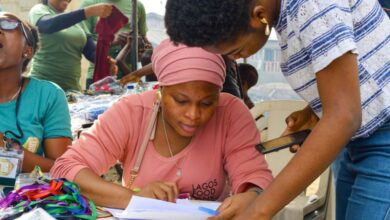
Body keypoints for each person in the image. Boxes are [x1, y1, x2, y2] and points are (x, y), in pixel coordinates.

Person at [164, 0, 390, 220]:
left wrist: (258, 211)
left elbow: (344, 117)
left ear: (259, 14)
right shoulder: (288, 12)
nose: (238, 58)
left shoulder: (312, 5)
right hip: (357, 142)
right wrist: (316, 109)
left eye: (237, 50)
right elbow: (360, 69)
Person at [51, 40, 273, 214]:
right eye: (181, 101)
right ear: (160, 90)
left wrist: (252, 195)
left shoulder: (230, 113)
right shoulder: (132, 112)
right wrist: (134, 198)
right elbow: (66, 169)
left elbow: (255, 176)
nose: (193, 115)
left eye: (207, 103)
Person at [0, 12, 72, 176]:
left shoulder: (47, 95)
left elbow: (63, 169)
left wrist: (7, 148)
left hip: (25, 198)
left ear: (27, 51)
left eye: (8, 24)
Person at [28, 0, 114, 92]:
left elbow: (90, 51)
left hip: (71, 89)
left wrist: (105, 61)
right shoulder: (39, 10)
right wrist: (88, 11)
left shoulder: (76, 20)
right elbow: (48, 25)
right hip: (43, 87)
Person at [80, 0, 150, 88]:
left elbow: (144, 41)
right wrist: (112, 41)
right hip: (98, 76)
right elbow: (83, 43)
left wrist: (140, 47)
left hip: (128, 74)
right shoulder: (90, 4)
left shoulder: (137, 6)